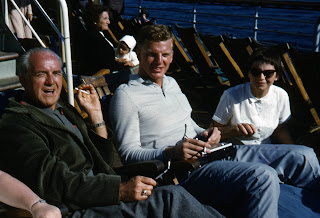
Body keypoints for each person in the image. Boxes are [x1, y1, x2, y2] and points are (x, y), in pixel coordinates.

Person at [109, 24, 320, 218]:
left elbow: (190, 126)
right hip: (185, 172)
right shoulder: (126, 96)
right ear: (138, 54)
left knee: (303, 156)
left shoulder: (172, 83)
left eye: (165, 54)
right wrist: (171, 152)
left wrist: (211, 133)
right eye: (151, 55)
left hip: (215, 151)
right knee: (262, 177)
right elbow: (128, 154)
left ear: (172, 55)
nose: (159, 61)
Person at [0, 47, 223, 218]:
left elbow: (102, 162)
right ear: (23, 78)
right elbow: (55, 182)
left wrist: (97, 118)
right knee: (171, 200)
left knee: (187, 200)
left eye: (56, 73)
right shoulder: (17, 124)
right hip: (75, 208)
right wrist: (120, 190)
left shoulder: (60, 109)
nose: (51, 81)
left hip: (100, 194)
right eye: (41, 74)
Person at [211, 47, 293, 145]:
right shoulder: (231, 95)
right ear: (249, 73)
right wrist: (233, 130)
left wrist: (291, 150)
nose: (261, 78)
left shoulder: (281, 95)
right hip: (237, 148)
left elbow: (280, 129)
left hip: (266, 149)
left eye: (268, 73)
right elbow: (213, 131)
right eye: (256, 72)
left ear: (277, 76)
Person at [81, 4, 125, 75]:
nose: (108, 22)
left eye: (108, 18)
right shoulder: (94, 38)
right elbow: (104, 63)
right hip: (100, 76)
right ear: (95, 20)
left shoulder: (100, 34)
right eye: (105, 19)